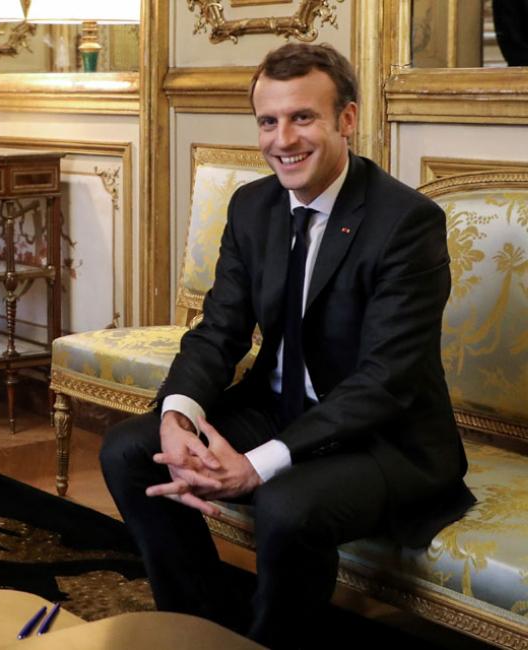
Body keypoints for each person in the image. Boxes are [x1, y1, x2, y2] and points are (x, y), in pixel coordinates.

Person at [100, 42, 475, 648]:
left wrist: (256, 464)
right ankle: (206, 628)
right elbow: (218, 330)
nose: (283, 139)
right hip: (280, 406)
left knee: (285, 506)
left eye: (303, 117)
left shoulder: (406, 223)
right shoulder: (253, 207)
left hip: (383, 437)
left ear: (346, 120)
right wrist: (177, 416)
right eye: (268, 121)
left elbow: (385, 382)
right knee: (132, 450)